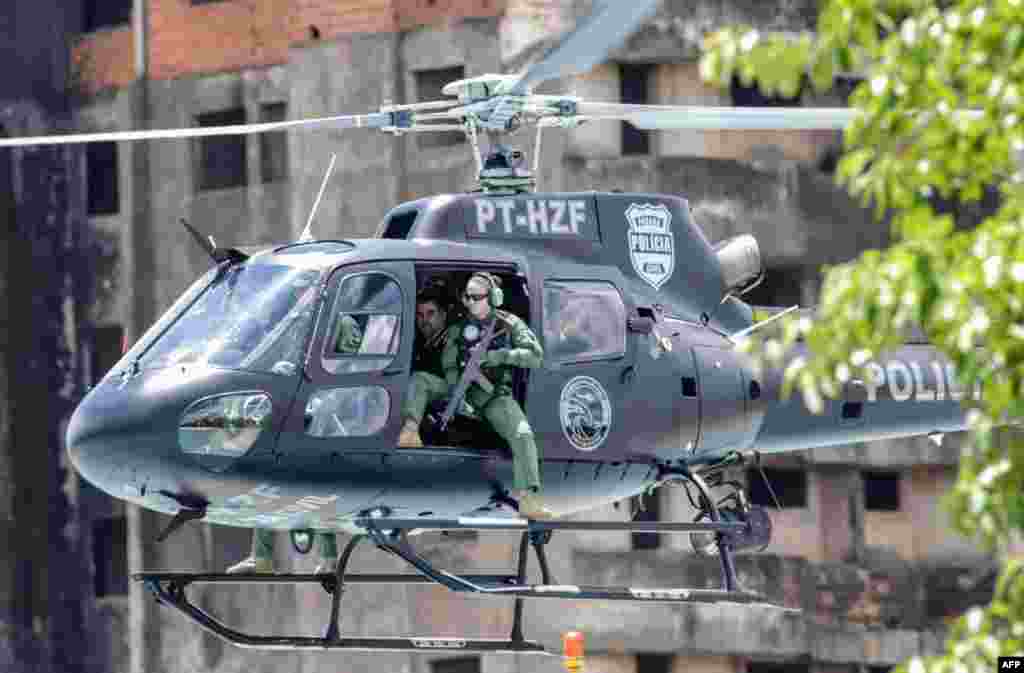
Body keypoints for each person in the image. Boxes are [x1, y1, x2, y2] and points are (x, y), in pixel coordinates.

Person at [399, 273, 553, 520]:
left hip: (493, 396)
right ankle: (410, 430)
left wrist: (499, 356)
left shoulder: (509, 324)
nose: (469, 302)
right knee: (420, 380)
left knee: (522, 434)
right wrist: (455, 388)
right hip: (461, 390)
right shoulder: (459, 327)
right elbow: (449, 361)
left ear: (492, 298)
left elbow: (534, 356)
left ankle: (528, 498)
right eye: (466, 296)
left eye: (475, 297)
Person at [225, 313, 364, 574]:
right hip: (300, 409)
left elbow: (349, 366)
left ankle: (329, 561)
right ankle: (262, 557)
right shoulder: (297, 319)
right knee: (267, 481)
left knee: (318, 486)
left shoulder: (340, 322)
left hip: (329, 411)